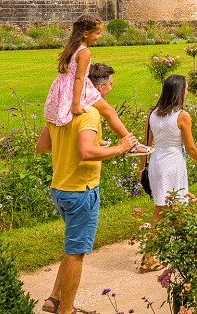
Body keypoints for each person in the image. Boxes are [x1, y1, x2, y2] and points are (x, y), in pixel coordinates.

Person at [35, 63, 137, 314]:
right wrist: (120, 148)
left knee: (71, 246)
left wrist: (91, 141)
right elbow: (86, 152)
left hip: (59, 188)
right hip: (81, 191)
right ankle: (66, 310)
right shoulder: (89, 113)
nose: (111, 88)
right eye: (110, 84)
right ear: (99, 88)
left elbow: (43, 147)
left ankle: (55, 299)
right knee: (76, 252)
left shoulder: (59, 111)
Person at [138, 74, 197, 271]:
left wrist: (141, 168)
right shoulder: (182, 116)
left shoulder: (153, 114)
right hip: (173, 164)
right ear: (179, 91)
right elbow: (191, 148)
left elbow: (146, 145)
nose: (187, 91)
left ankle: (182, 248)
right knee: (165, 210)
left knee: (170, 209)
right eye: (186, 88)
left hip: (156, 164)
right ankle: (150, 258)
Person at [43, 14, 140, 149]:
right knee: (109, 112)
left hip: (64, 87)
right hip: (78, 87)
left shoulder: (72, 48)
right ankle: (132, 145)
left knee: (96, 111)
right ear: (86, 34)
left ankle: (96, 138)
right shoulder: (84, 52)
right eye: (98, 33)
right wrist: (76, 104)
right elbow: (79, 78)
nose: (99, 36)